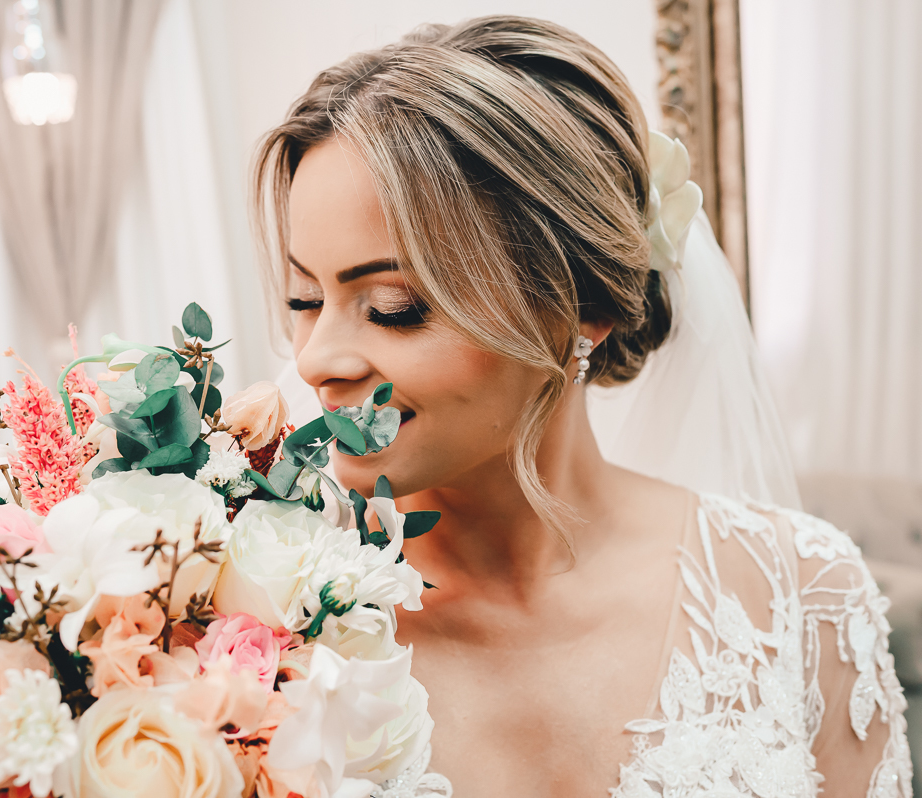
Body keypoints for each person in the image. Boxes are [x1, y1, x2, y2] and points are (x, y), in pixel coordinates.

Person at [253, 15, 912, 797]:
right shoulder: (250, 623)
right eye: (304, 297)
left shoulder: (803, 595)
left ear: (580, 309)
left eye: (394, 306)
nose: (316, 359)